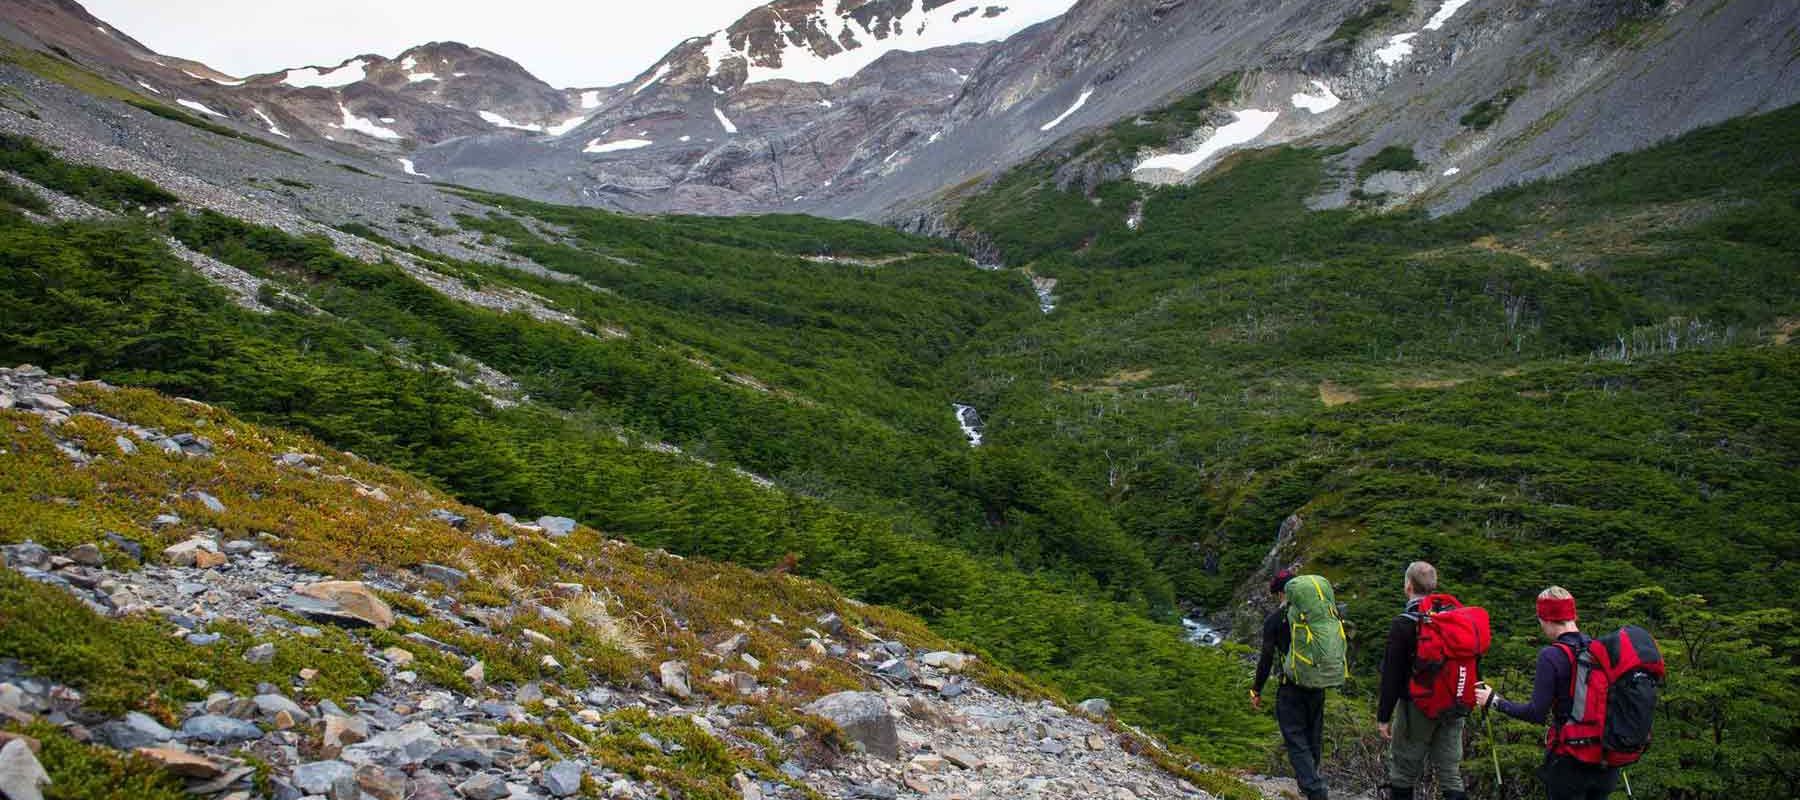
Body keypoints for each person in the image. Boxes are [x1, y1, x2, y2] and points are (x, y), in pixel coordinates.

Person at [1475, 587, 1621, 800]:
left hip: (1570, 762)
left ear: (1546, 619)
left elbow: (1535, 713)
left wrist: (1494, 701)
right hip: (1606, 761)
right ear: (1573, 615)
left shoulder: (1551, 655)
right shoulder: (1599, 649)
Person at [1377, 561, 1466, 800]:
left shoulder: (1404, 623)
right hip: (1454, 704)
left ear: (1408, 586)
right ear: (1434, 586)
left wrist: (1383, 716)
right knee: (1450, 773)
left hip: (1417, 707)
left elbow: (1392, 676)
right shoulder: (1456, 618)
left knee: (1403, 773)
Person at [1252, 569, 1330, 800]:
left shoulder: (1275, 620)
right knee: (1313, 735)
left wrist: (1256, 689)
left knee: (1295, 739)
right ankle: (1311, 783)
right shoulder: (1319, 614)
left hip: (1291, 688)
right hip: (1318, 684)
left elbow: (1266, 659)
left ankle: (1315, 790)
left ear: (1281, 593)